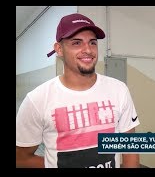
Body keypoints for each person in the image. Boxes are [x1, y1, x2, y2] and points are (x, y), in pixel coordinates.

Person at [16, 13, 140, 168]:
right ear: (59, 49)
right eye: (76, 43)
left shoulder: (119, 90)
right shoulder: (37, 100)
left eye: (92, 43)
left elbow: (130, 148)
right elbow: (21, 158)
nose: (87, 49)